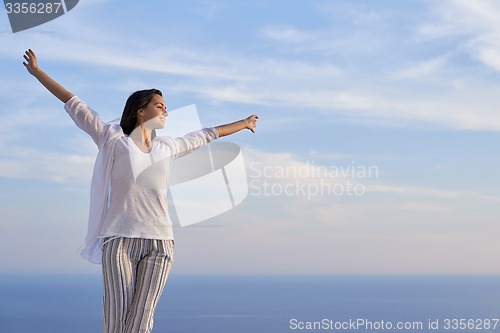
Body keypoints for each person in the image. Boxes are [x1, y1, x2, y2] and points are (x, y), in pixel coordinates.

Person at [22, 49, 258, 333]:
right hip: (119, 240)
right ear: (140, 110)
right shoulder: (112, 139)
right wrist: (38, 73)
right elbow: (75, 103)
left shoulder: (167, 146)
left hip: (160, 242)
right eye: (159, 105)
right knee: (116, 318)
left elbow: (207, 134)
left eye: (165, 106)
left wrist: (243, 124)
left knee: (141, 321)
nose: (165, 111)